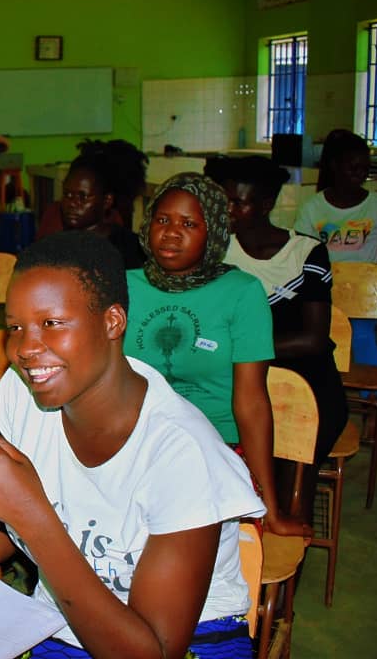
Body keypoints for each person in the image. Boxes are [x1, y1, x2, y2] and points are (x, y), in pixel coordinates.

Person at [0, 231, 266, 658]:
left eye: (51, 324)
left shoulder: (182, 453)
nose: (25, 349)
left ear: (112, 322)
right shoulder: (24, 395)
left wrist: (32, 515)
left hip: (183, 640)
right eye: (15, 327)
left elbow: (152, 650)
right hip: (64, 621)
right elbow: (4, 527)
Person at [124, 173, 310, 537]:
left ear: (214, 234)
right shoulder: (124, 285)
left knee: (191, 537)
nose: (171, 232)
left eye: (189, 224)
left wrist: (270, 509)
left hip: (215, 449)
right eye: (163, 220)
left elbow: (252, 402)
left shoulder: (242, 293)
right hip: (137, 444)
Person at [210, 156, 349, 520]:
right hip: (238, 379)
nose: (227, 211)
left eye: (238, 202)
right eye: (223, 201)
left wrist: (244, 352)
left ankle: (287, 539)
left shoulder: (305, 253)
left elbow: (314, 339)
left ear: (266, 205)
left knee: (290, 487)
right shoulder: (219, 252)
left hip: (305, 377)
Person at [294, 129, 377, 366]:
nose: (360, 174)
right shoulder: (312, 207)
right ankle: (324, 387)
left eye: (364, 168)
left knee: (360, 335)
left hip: (364, 291)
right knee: (319, 336)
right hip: (324, 289)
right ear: (334, 167)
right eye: (353, 167)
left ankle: (371, 396)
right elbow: (302, 254)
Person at [36, 139, 148, 268]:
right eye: (68, 194)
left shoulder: (128, 247)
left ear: (107, 200)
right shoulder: (54, 242)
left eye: (83, 197)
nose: (72, 204)